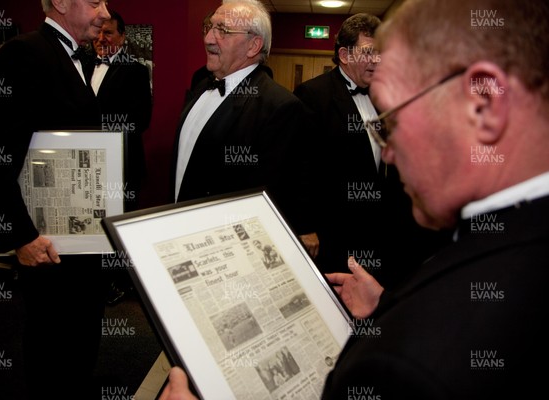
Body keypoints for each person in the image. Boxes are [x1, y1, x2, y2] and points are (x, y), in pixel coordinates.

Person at [158, 0, 549, 398]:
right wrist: (386, 306)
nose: (389, 152)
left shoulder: (406, 368)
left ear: (484, 107)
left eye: (392, 121)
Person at [0, 0, 111, 398]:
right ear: (62, 2)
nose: (105, 11)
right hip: (48, 247)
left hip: (81, 242)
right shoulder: (24, 53)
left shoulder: (75, 57)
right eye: (95, 0)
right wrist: (20, 238)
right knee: (53, 351)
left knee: (78, 347)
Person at [293, 13, 449, 285]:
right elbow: (300, 165)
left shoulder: (384, 96)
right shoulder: (313, 95)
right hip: (334, 229)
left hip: (378, 229)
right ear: (344, 54)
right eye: (369, 52)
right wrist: (306, 227)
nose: (377, 60)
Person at [172, 0, 319, 257]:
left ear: (253, 46)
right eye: (209, 27)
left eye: (223, 31)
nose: (208, 38)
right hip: (180, 232)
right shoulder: (201, 84)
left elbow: (272, 195)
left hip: (223, 249)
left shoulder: (279, 106)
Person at [90, 9, 153, 305]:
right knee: (92, 223)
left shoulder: (136, 71)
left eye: (109, 33)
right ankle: (94, 280)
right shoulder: (82, 65)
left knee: (119, 226)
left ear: (122, 37)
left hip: (122, 165)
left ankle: (121, 283)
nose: (102, 38)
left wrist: (99, 132)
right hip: (87, 166)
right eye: (99, 32)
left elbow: (141, 119)